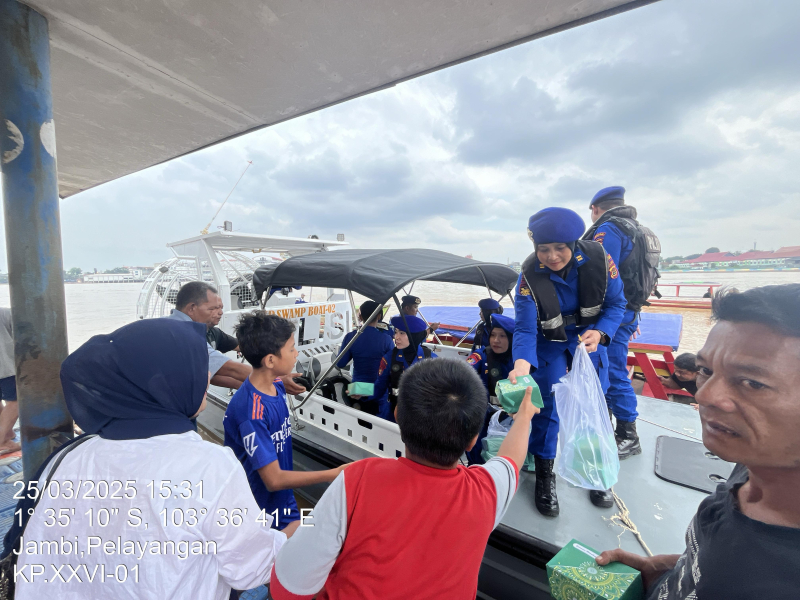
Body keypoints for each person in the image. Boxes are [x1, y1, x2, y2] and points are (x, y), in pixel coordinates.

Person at [10, 318, 288, 599]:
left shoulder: (68, 456)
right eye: (197, 367)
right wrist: (293, 535)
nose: (206, 376)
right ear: (170, 382)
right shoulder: (208, 465)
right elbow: (254, 568)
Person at [269, 358, 540, 600]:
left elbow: (288, 588)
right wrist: (524, 417)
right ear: (472, 441)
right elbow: (510, 460)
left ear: (398, 418)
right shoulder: (487, 492)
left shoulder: (357, 481)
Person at [596, 284, 800, 599]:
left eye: (752, 383)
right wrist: (671, 570)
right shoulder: (752, 466)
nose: (704, 395)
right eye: (706, 370)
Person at [509, 207, 626, 516]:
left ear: (573, 243)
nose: (552, 256)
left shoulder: (601, 261)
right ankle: (546, 477)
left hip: (589, 342)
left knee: (592, 405)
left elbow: (617, 304)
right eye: (543, 249)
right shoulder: (528, 278)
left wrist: (601, 332)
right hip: (548, 346)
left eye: (559, 247)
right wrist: (521, 363)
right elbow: (524, 327)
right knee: (547, 409)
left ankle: (597, 473)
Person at [223, 312, 346, 533]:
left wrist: (280, 378)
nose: (296, 353)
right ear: (270, 360)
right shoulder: (251, 412)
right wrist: (334, 474)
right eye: (291, 349)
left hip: (282, 500)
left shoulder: (275, 385)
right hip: (259, 508)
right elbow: (273, 480)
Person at [583, 186, 662, 459]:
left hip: (610, 315)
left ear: (595, 208)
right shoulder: (641, 231)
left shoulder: (609, 230)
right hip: (629, 311)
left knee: (612, 371)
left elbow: (601, 274)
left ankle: (628, 435)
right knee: (610, 368)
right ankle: (609, 426)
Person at [169, 281, 305, 394]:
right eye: (213, 308)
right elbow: (228, 368)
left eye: (221, 307)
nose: (220, 312)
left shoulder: (210, 333)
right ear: (192, 308)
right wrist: (276, 380)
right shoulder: (179, 333)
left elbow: (213, 374)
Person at [465, 313, 515, 465]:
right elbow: (465, 370)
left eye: (502, 336)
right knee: (477, 448)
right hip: (484, 414)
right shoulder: (482, 355)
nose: (496, 340)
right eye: (493, 335)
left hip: (510, 417)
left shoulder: (519, 362)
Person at [373, 314, 437, 422]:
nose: (396, 337)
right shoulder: (390, 358)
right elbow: (379, 387)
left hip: (422, 419)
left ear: (414, 336)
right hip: (393, 416)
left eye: (402, 333)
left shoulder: (430, 359)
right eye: (396, 332)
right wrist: (356, 388)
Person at [335, 301, 393, 415]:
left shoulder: (351, 337)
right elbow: (392, 366)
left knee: (358, 420)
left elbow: (340, 364)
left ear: (360, 317)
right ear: (379, 316)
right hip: (379, 390)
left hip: (357, 389)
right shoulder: (386, 339)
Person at [0, 307, 19, 455]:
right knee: (16, 402)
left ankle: (7, 435)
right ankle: (2, 441)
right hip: (6, 367)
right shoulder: (6, 313)